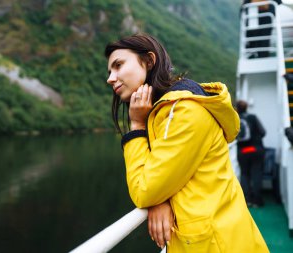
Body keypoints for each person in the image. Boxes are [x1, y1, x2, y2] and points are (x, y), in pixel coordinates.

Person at [105, 34, 269, 252]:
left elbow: (145, 190)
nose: (110, 78)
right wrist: (161, 199)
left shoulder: (184, 112)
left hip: (219, 244)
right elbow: (164, 176)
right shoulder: (165, 113)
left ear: (149, 61)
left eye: (118, 65)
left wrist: (136, 126)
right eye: (109, 71)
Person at [236, 100, 266, 207]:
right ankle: (257, 201)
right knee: (256, 174)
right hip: (256, 149)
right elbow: (263, 132)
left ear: (237, 108)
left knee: (244, 174)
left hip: (243, 151)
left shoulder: (235, 118)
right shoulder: (253, 117)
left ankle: (247, 200)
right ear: (246, 108)